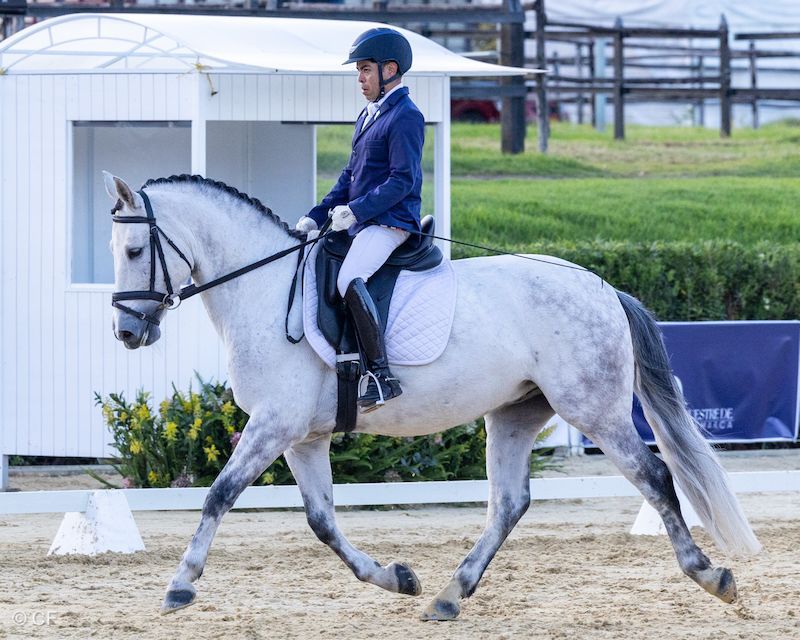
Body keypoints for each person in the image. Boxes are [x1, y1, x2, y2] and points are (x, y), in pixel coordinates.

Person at [296, 27, 424, 413]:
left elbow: (404, 179)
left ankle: (382, 376)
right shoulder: (369, 115)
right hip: (364, 221)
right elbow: (349, 178)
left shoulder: (405, 116)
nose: (360, 78)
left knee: (348, 277)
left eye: (366, 69)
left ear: (391, 69)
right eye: (359, 70)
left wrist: (358, 211)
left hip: (391, 223)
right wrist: (315, 215)